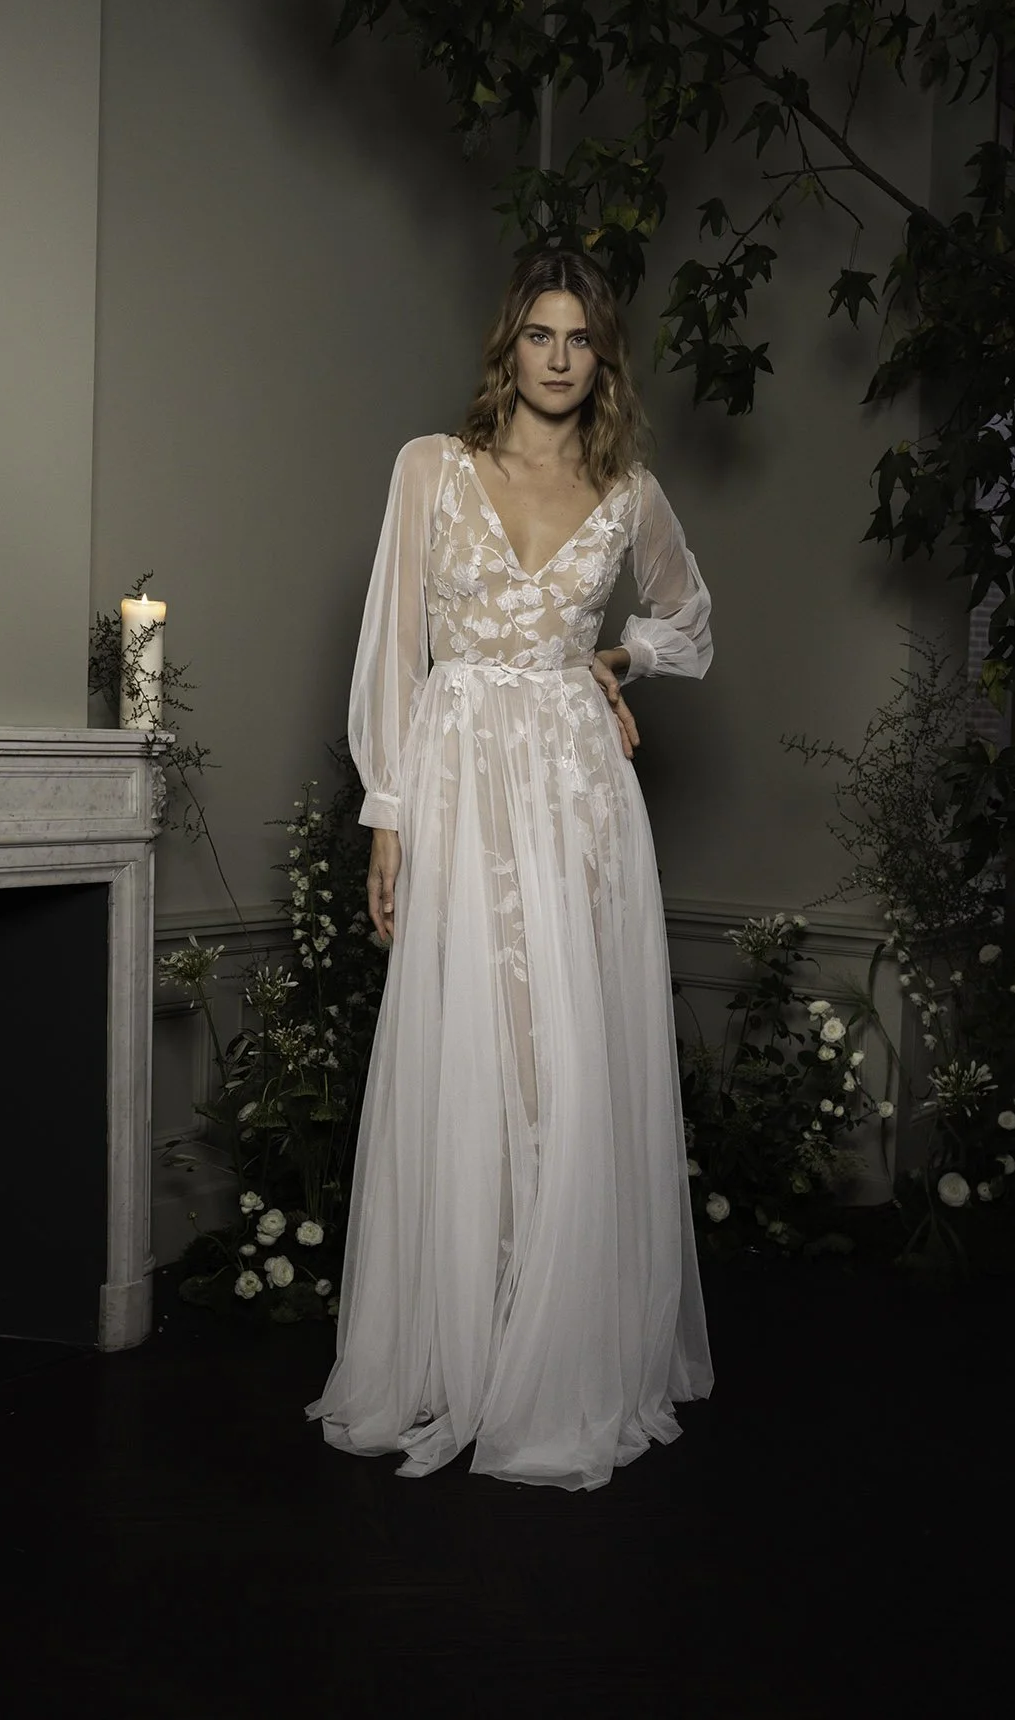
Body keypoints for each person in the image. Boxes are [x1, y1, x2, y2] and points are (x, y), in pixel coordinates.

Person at [305, 249, 715, 1492]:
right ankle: (462, 1353)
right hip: (460, 783)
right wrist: (386, 812)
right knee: (468, 1049)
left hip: (579, 793)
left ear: (602, 359)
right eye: (538, 333)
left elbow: (688, 617)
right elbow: (389, 646)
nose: (555, 355)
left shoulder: (628, 488)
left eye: (578, 338)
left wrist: (617, 662)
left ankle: (556, 1357)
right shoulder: (431, 468)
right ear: (510, 346)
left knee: (565, 1057)